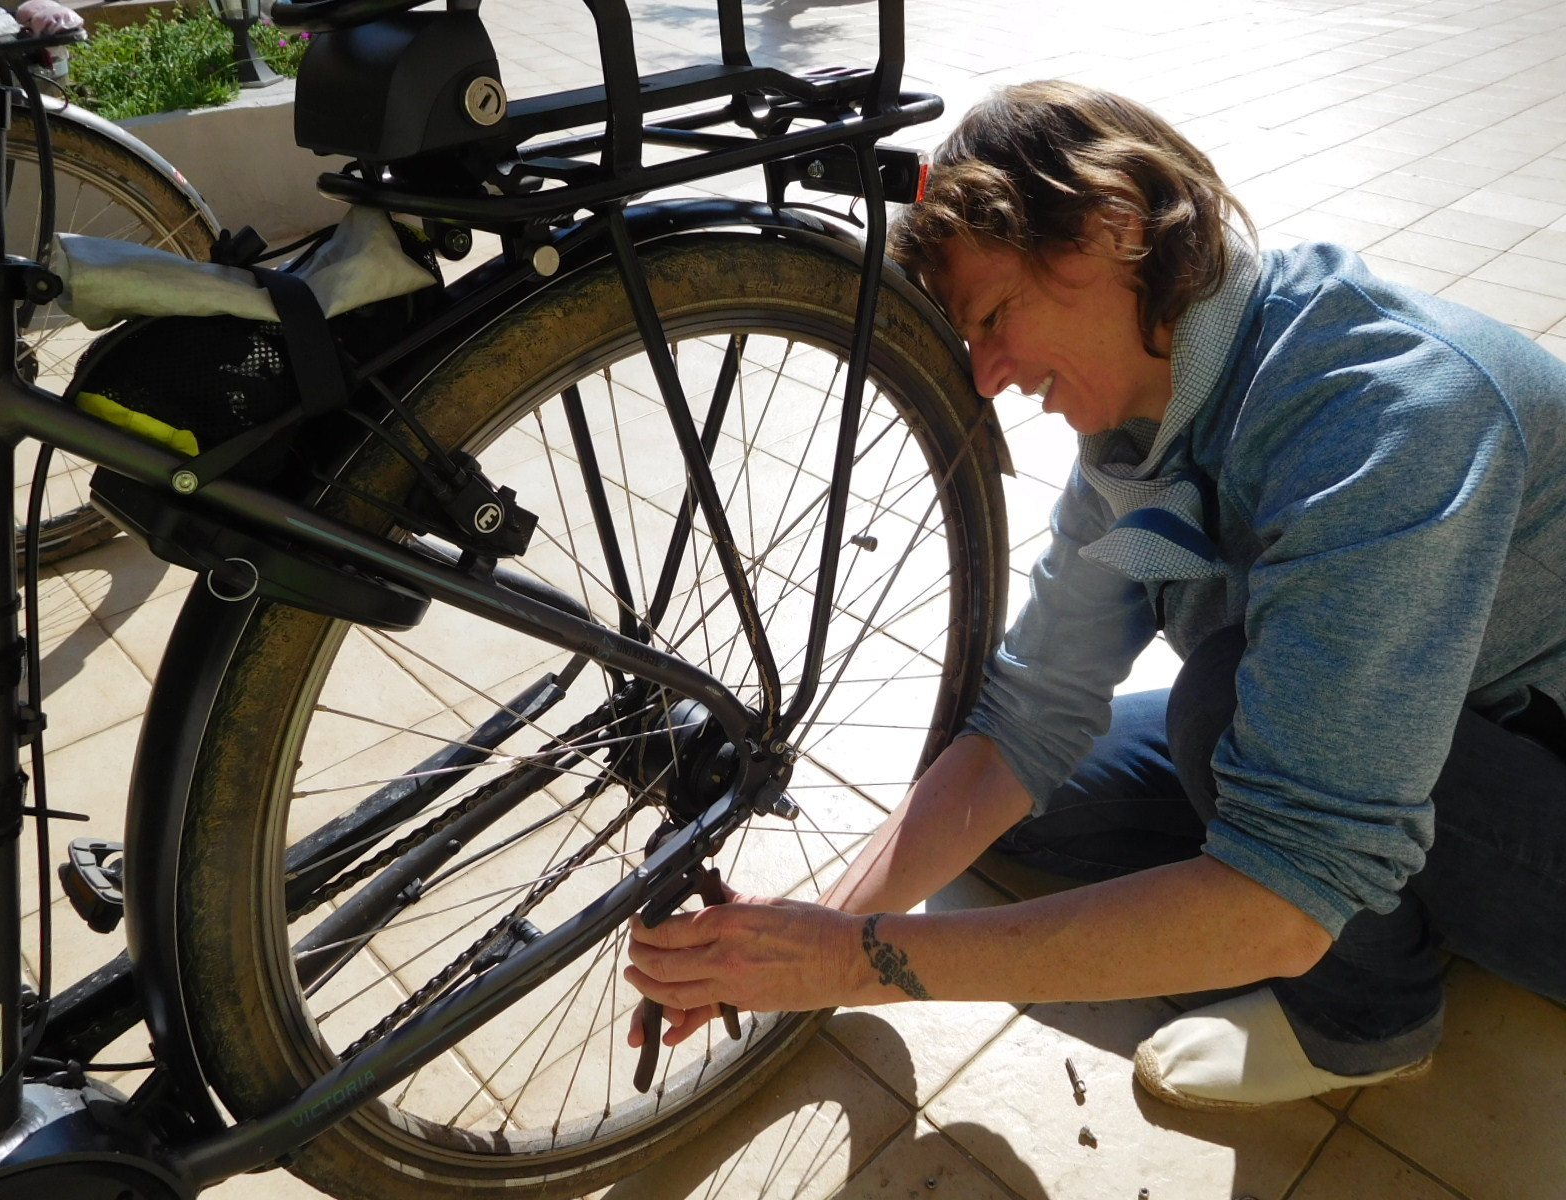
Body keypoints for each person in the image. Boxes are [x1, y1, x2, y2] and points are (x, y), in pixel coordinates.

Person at [624, 80, 1566, 1109]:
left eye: (996, 317)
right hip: (1444, 711)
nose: (986, 378)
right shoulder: (1143, 425)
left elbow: (1284, 899)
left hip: (1537, 749)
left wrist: (859, 965)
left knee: (1223, 712)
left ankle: (1367, 1017)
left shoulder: (1383, 423)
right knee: (1019, 807)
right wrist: (814, 938)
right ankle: (1383, 865)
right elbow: (1025, 717)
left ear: (1115, 228)